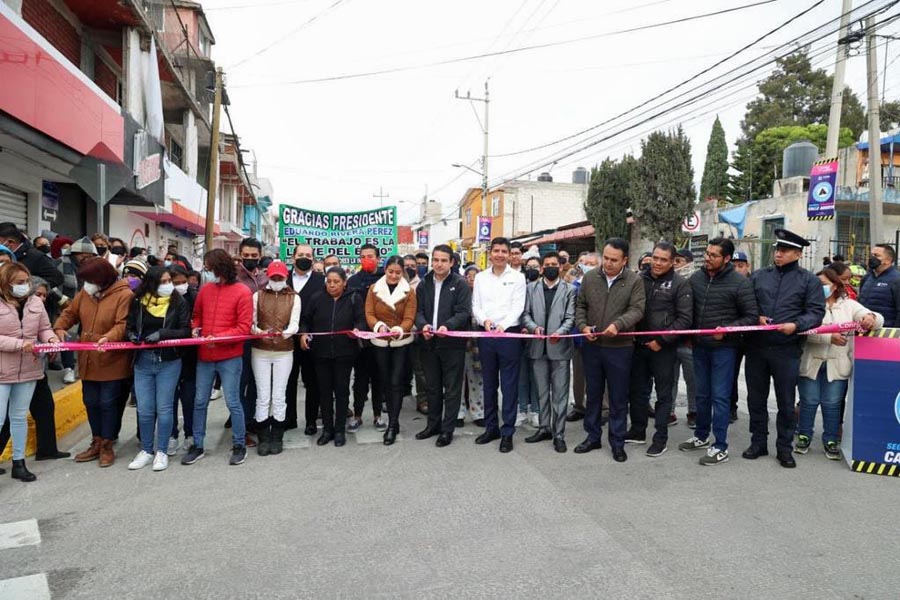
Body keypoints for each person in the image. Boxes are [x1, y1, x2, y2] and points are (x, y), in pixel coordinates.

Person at [743, 229, 825, 468]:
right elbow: (746, 304)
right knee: (756, 399)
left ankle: (784, 448)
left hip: (786, 349)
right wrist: (756, 317)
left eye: (784, 250)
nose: (778, 254)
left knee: (786, 402)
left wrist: (796, 325)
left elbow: (816, 313)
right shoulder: (759, 276)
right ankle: (758, 442)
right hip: (757, 348)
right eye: (777, 249)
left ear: (798, 254)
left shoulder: (808, 281)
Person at [678, 238, 758, 466]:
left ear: (726, 259)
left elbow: (751, 317)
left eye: (714, 255)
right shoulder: (697, 278)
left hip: (724, 349)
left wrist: (728, 331)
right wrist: (689, 337)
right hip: (699, 347)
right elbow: (689, 310)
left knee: (720, 397)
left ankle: (720, 445)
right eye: (707, 253)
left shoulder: (739, 283)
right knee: (701, 394)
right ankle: (701, 436)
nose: (708, 258)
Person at [54, 257, 133, 468]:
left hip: (111, 358)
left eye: (90, 279)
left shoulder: (124, 294)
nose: (86, 284)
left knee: (108, 403)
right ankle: (96, 440)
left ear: (103, 278)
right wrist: (59, 328)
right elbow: (70, 313)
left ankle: (107, 444)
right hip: (88, 359)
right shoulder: (85, 294)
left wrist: (109, 337)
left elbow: (123, 324)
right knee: (90, 401)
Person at [797, 268, 881, 460]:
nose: (820, 288)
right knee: (808, 401)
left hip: (838, 364)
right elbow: (803, 331)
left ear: (835, 285)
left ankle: (831, 439)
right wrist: (828, 338)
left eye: (824, 284)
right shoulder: (807, 305)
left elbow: (875, 319)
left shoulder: (849, 305)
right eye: (817, 284)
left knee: (833, 403)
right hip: (811, 362)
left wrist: (871, 318)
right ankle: (803, 435)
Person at [574, 238, 645, 463]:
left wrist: (619, 325)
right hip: (592, 346)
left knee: (617, 396)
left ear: (624, 260)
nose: (608, 263)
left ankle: (617, 442)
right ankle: (592, 436)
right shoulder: (590, 277)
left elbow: (637, 309)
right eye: (605, 258)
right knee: (593, 394)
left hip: (619, 348)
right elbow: (580, 306)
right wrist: (583, 326)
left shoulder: (634, 280)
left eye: (614, 260)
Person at [183, 249, 253, 467]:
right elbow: (196, 316)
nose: (207, 271)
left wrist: (217, 338)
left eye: (210, 268)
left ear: (220, 267)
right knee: (200, 401)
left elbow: (243, 327)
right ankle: (198, 444)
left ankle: (239, 444)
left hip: (230, 356)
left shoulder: (242, 292)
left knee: (233, 401)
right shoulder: (205, 290)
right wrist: (196, 329)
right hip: (205, 355)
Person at [626, 242, 692, 457]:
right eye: (655, 258)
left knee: (663, 395)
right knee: (637, 391)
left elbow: (684, 319)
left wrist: (661, 341)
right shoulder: (638, 279)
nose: (658, 263)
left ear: (673, 262)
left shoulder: (680, 284)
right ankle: (637, 431)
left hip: (664, 349)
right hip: (638, 345)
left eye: (663, 259)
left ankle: (660, 438)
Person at [125, 266, 191, 471]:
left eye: (168, 281)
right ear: (152, 283)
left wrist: (162, 334)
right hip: (143, 361)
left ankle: (161, 451)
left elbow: (185, 331)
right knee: (144, 410)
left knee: (164, 409)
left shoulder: (178, 301)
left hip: (168, 361)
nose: (167, 285)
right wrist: (131, 336)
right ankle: (146, 449)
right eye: (162, 282)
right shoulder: (137, 301)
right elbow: (128, 326)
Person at [0, 264, 61, 481]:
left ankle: (19, 464)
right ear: (5, 282)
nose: (24, 286)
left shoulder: (35, 302)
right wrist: (20, 345)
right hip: (2, 371)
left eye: (26, 281)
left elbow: (44, 328)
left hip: (28, 369)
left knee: (18, 417)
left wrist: (51, 339)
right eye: (19, 282)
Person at [300, 267, 366, 447]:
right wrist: (304, 334)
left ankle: (339, 430)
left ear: (344, 282)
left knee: (342, 391)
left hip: (345, 353)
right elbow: (305, 320)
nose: (332, 285)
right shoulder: (317, 298)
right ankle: (327, 429)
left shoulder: (354, 297)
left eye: (336, 282)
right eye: (329, 282)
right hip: (320, 353)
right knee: (325, 392)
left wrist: (358, 329)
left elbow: (361, 319)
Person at [471, 237, 525, 453]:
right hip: (486, 334)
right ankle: (491, 427)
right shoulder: (481, 278)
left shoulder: (518, 278)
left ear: (509, 254)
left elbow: (518, 307)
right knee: (489, 383)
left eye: (504, 251)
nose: (500, 254)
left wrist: (502, 325)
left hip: (509, 335)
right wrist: (485, 321)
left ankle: (508, 431)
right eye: (497, 251)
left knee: (509, 386)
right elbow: (476, 305)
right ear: (490, 253)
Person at [415, 245, 472, 447]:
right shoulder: (424, 284)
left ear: (451, 262)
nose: (439, 264)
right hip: (428, 343)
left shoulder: (461, 284)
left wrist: (448, 325)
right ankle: (433, 425)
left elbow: (464, 312)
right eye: (436, 260)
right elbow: (418, 310)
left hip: (452, 345)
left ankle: (447, 430)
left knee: (452, 388)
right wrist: (423, 326)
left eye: (443, 260)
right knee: (432, 387)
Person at [521, 252, 576, 453]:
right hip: (537, 348)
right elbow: (525, 313)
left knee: (560, 394)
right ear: (542, 267)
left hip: (560, 349)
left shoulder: (569, 290)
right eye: (547, 264)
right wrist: (533, 327)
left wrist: (560, 332)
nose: (551, 267)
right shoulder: (531, 288)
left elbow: (571, 317)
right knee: (542, 393)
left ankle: (559, 433)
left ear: (561, 267)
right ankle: (544, 427)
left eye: (555, 264)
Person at [365, 255, 417, 445]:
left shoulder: (409, 291)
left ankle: (393, 425)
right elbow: (369, 313)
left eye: (397, 272)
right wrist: (378, 326)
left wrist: (400, 329)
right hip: (380, 342)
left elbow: (410, 317)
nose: (394, 276)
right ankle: (389, 419)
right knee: (385, 381)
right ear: (385, 270)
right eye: (390, 272)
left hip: (400, 342)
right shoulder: (374, 289)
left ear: (402, 272)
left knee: (396, 382)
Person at [251, 261, 301, 456]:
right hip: (260, 350)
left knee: (279, 395)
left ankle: (277, 436)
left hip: (284, 351)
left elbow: (295, 324)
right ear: (268, 278)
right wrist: (261, 333)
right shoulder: (258, 296)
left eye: (280, 278)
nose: (277, 281)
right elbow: (251, 323)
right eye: (274, 278)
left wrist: (284, 334)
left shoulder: (294, 298)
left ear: (286, 278)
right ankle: (263, 436)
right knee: (263, 395)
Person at [286, 244, 326, 435]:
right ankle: (289, 418)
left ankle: (311, 420)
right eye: (300, 254)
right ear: (293, 258)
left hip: (312, 339)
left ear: (313, 259)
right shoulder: (282, 279)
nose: (304, 258)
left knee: (313, 382)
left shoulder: (322, 281)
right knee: (288, 380)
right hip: (286, 340)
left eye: (308, 255)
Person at [347, 244, 384, 433]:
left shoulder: (387, 278)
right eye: (363, 256)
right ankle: (357, 415)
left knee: (379, 378)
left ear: (378, 258)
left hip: (382, 336)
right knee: (360, 379)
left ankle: (378, 415)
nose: (367, 259)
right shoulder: (353, 281)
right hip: (360, 339)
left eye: (370, 256)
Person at [234, 238, 268, 445]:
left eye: (254, 256)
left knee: (257, 384)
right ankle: (241, 427)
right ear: (240, 255)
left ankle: (253, 420)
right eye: (246, 256)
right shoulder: (233, 278)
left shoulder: (265, 278)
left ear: (260, 256)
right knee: (240, 383)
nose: (250, 259)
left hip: (262, 339)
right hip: (241, 339)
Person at [566, 252, 599, 422]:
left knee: (601, 376)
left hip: (599, 337)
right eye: (584, 263)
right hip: (579, 337)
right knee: (579, 375)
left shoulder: (602, 285)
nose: (587, 266)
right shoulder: (573, 286)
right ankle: (579, 406)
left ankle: (604, 408)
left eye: (592, 263)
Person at [169, 265, 198, 452]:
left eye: (183, 282)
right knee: (169, 399)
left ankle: (190, 433)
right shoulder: (161, 299)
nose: (180, 286)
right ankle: (171, 434)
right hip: (169, 356)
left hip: (190, 357)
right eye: (175, 283)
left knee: (189, 398)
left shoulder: (194, 297)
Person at [0, 223, 63, 289]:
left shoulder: (35, 257)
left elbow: (56, 278)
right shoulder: (5, 254)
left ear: (10, 242)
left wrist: (27, 288)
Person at [517, 256, 542, 426]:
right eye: (529, 266)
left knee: (536, 375)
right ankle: (521, 408)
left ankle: (536, 410)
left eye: (535, 266)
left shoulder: (542, 288)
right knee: (521, 375)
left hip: (539, 336)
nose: (532, 269)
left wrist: (533, 327)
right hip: (519, 336)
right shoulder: (520, 285)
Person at [461, 265, 484, 426]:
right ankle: (458, 412)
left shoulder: (483, 296)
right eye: (469, 276)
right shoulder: (460, 294)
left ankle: (478, 412)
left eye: (475, 276)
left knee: (477, 379)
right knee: (458, 380)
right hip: (460, 343)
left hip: (478, 344)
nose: (471, 279)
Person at [858, 243, 900, 328]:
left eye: (876, 255)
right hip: (864, 330)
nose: (871, 258)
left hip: (886, 332)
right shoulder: (866, 278)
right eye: (871, 255)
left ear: (888, 260)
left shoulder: (897, 279)